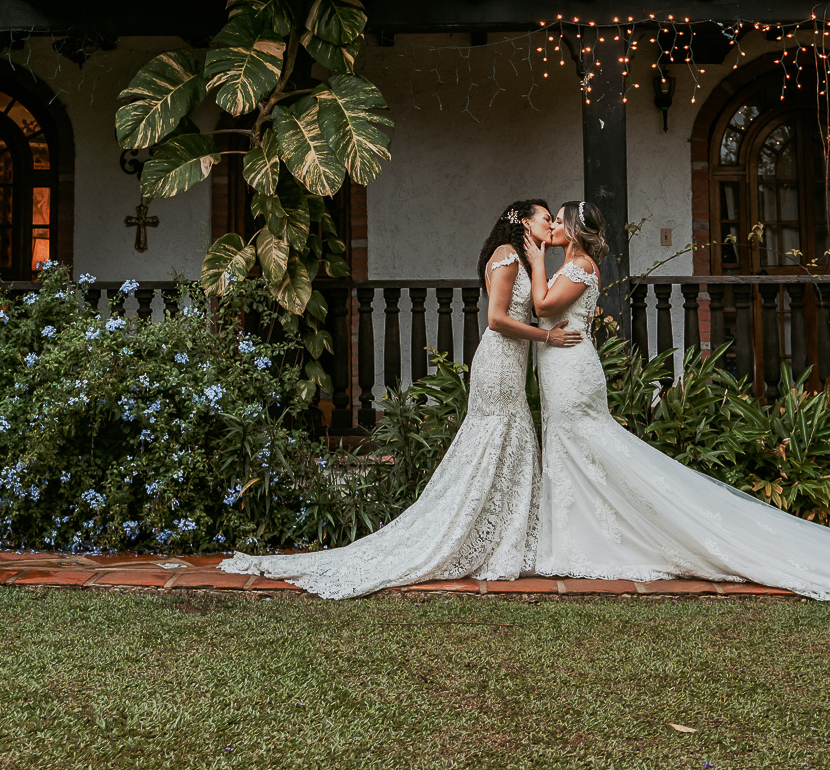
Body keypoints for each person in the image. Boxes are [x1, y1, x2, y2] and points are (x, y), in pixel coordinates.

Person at [525, 201, 830, 602]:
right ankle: (575, 539)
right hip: (560, 365)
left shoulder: (580, 266)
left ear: (574, 231)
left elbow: (544, 308)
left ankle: (587, 541)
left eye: (559, 221)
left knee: (586, 447)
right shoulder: (572, 263)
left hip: (572, 372)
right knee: (573, 452)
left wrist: (535, 259)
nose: (553, 228)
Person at [219, 198, 581, 599]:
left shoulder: (525, 258)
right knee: (492, 444)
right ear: (523, 221)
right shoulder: (506, 256)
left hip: (512, 367)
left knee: (509, 447)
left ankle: (503, 540)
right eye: (546, 218)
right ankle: (460, 538)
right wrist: (547, 336)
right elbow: (497, 319)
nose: (551, 225)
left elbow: (536, 304)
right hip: (497, 366)